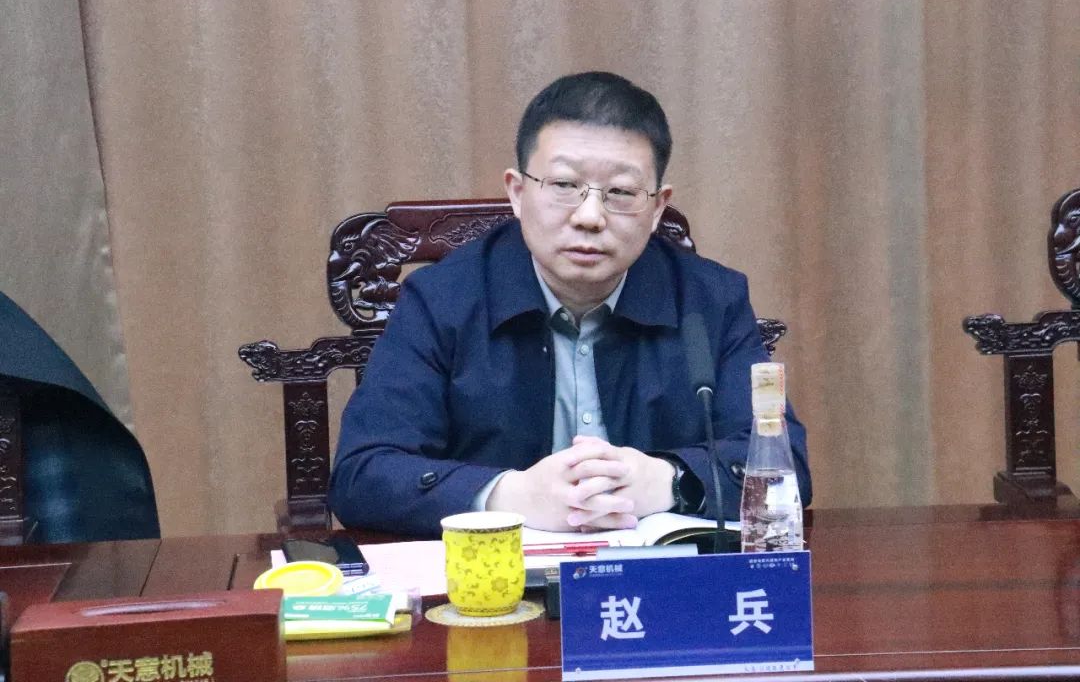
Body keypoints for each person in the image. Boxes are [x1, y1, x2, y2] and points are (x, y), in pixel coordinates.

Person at [329, 71, 810, 536]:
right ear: (518, 193)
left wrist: (670, 480)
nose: (589, 216)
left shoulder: (710, 302)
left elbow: (786, 464)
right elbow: (362, 474)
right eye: (564, 186)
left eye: (620, 192)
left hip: (657, 579)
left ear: (657, 207)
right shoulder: (441, 301)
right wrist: (509, 496)